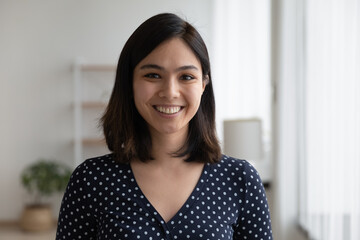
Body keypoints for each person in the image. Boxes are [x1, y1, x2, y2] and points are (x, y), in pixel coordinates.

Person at [56, 13, 273, 240]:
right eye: (153, 75)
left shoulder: (240, 179)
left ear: (203, 85)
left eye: (186, 76)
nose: (170, 92)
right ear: (129, 82)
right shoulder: (91, 180)